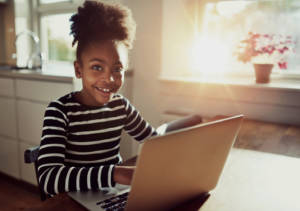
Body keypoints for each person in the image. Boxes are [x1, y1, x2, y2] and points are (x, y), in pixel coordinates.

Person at [37, 0, 157, 196]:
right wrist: (115, 173)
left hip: (111, 195)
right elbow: (49, 180)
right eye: (97, 67)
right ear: (79, 69)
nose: (109, 79)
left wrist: (193, 130)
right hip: (73, 200)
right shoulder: (59, 112)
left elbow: (155, 143)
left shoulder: (121, 107)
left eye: (117, 69)